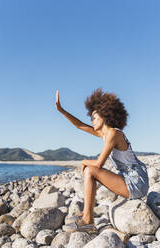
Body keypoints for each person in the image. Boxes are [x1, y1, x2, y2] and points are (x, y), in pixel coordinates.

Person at [55, 88, 149, 232]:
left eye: (94, 117)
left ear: (104, 116)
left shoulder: (113, 133)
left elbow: (99, 163)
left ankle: (87, 220)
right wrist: (62, 110)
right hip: (129, 178)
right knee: (89, 170)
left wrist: (84, 161)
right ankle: (87, 215)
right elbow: (79, 125)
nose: (91, 121)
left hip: (137, 182)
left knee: (90, 170)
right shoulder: (105, 134)